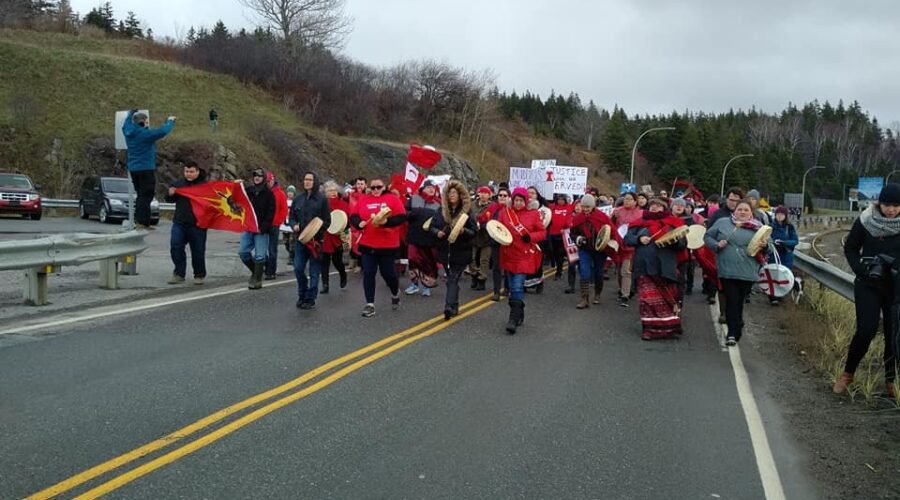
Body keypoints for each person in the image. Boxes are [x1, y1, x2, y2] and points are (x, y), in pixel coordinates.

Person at [834, 185, 900, 397]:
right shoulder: (865, 220)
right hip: (868, 284)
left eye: (897, 206)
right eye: (887, 204)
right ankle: (847, 373)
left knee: (893, 334)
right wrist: (862, 270)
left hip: (896, 287)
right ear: (879, 203)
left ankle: (891, 381)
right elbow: (850, 248)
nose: (891, 210)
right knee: (866, 331)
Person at [704, 199, 766, 346]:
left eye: (746, 210)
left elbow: (768, 246)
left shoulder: (759, 227)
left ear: (751, 213)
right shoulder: (723, 223)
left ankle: (736, 325)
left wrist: (765, 245)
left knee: (739, 301)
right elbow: (707, 236)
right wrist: (716, 245)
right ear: (734, 211)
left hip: (748, 271)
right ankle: (732, 332)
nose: (742, 212)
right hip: (727, 270)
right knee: (731, 300)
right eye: (740, 209)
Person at [625, 198, 688, 340]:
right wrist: (639, 240)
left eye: (659, 206)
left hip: (665, 266)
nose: (655, 208)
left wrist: (675, 239)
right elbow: (627, 239)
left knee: (668, 298)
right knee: (647, 299)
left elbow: (683, 245)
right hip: (643, 266)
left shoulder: (673, 224)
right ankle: (649, 330)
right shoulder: (638, 223)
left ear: (664, 209)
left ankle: (670, 327)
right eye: (652, 205)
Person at [350, 178, 407, 317]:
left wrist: (386, 222)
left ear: (384, 187)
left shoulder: (392, 199)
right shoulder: (364, 199)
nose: (376, 190)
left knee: (389, 275)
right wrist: (358, 223)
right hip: (367, 244)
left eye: (379, 187)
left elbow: (401, 217)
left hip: (387, 245)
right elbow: (354, 216)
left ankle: (395, 292)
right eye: (373, 187)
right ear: (369, 187)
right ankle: (370, 304)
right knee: (368, 273)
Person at [496, 187, 546, 334]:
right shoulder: (505, 213)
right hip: (508, 254)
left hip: (524, 256)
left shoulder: (533, 214)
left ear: (526, 201)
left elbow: (543, 232)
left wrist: (530, 237)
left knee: (518, 286)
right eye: (516, 200)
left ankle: (512, 320)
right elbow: (497, 227)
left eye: (521, 200)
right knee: (512, 288)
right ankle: (519, 311)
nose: (518, 203)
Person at [430, 180, 477, 320]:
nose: (451, 195)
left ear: (460, 195)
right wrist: (436, 232)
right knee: (452, 279)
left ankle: (448, 307)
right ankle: (454, 305)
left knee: (452, 278)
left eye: (454, 193)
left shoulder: (467, 212)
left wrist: (463, 231)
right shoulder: (441, 210)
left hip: (461, 250)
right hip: (445, 250)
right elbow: (431, 226)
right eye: (449, 193)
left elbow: (474, 231)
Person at [122, 109, 176, 229]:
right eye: (146, 122)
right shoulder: (144, 134)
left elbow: (126, 122)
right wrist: (170, 121)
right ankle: (142, 222)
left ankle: (141, 220)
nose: (148, 124)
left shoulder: (128, 130)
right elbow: (162, 131)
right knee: (146, 195)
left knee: (141, 194)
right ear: (142, 123)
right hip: (145, 168)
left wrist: (131, 113)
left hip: (134, 168)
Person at [288, 171, 330, 308]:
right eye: (305, 179)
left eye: (310, 180)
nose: (307, 182)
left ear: (315, 181)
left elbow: (327, 221)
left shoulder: (322, 199)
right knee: (298, 268)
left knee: (314, 271)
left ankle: (310, 298)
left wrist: (316, 228)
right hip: (300, 240)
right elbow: (292, 216)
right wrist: (294, 225)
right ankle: (302, 294)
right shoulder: (298, 199)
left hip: (316, 242)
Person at [570, 194, 617, 308]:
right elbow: (572, 233)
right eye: (583, 206)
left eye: (588, 207)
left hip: (599, 250)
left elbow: (610, 230)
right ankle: (584, 299)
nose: (585, 209)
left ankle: (597, 294)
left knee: (598, 273)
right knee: (584, 273)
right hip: (585, 249)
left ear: (593, 206)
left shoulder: (601, 216)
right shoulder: (578, 218)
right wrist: (578, 238)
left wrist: (610, 242)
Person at [165, 160, 207, 285]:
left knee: (198, 251)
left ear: (197, 172)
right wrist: (170, 194)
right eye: (186, 171)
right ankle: (179, 273)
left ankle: (199, 275)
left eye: (191, 172)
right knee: (175, 246)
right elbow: (169, 200)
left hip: (198, 224)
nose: (189, 174)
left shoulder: (204, 186)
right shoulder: (178, 184)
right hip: (180, 222)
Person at [239, 168, 276, 290]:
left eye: (260, 176)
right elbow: (237, 197)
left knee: (260, 256)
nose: (257, 178)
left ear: (264, 178)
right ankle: (256, 272)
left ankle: (257, 279)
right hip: (248, 227)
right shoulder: (248, 191)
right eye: (255, 175)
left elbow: (270, 213)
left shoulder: (269, 194)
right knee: (243, 252)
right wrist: (236, 185)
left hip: (261, 229)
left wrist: (264, 228)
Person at [404, 180, 441, 297]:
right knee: (413, 259)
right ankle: (414, 284)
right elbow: (404, 212)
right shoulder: (414, 199)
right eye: (428, 187)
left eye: (433, 188)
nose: (431, 189)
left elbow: (441, 221)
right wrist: (413, 214)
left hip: (429, 239)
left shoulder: (438, 204)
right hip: (414, 236)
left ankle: (426, 286)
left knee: (427, 262)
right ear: (423, 189)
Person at [612, 192, 643, 307]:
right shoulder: (617, 211)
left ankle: (625, 295)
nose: (627, 201)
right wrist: (613, 218)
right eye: (625, 199)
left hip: (632, 247)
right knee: (619, 269)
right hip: (619, 245)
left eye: (630, 199)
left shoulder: (640, 213)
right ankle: (622, 290)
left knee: (626, 270)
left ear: (635, 201)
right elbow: (611, 225)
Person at [321, 180, 349, 294]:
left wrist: (345, 236)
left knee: (337, 261)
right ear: (325, 192)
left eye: (334, 190)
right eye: (330, 190)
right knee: (324, 261)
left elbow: (348, 222)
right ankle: (325, 285)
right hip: (325, 235)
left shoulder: (343, 205)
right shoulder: (321, 205)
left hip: (338, 236)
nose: (333, 192)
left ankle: (343, 274)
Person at [767, 205, 798, 305]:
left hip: (786, 256)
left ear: (786, 216)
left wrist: (785, 242)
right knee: (773, 275)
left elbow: (795, 240)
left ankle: (781, 294)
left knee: (783, 276)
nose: (779, 216)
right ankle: (773, 297)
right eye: (778, 214)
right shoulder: (770, 226)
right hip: (773, 255)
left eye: (782, 215)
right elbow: (765, 238)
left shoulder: (789, 227)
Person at [265, 172, 290, 280]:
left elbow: (284, 210)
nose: (268, 183)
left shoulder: (279, 193)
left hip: (274, 225)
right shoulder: (264, 192)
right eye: (266, 182)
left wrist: (277, 222)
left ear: (272, 180)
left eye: (269, 181)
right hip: (264, 224)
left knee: (272, 249)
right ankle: (266, 267)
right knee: (262, 249)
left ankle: (271, 271)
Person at [488, 187, 511, 301]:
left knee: (507, 266)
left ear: (509, 198)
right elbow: (487, 223)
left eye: (504, 195)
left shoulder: (511, 211)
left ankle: (507, 288)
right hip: (495, 242)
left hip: (508, 242)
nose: (502, 197)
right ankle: (496, 291)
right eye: (500, 195)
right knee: (496, 267)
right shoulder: (492, 209)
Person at [471, 186, 495, 291]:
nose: (483, 195)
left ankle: (482, 279)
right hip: (473, 236)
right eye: (481, 193)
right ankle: (474, 275)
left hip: (486, 236)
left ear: (489, 195)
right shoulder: (472, 205)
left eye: (486, 193)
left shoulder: (493, 206)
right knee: (471, 258)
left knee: (484, 260)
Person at [671, 198, 696, 299]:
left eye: (681, 205)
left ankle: (678, 303)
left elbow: (693, 235)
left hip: (683, 253)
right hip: (668, 253)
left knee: (680, 280)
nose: (679, 207)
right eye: (676, 204)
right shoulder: (666, 218)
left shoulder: (689, 220)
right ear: (671, 206)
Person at [347, 176, 368, 273]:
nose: (359, 186)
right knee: (353, 243)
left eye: (361, 184)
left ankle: (360, 264)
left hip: (363, 222)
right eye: (358, 184)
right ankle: (353, 260)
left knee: (360, 244)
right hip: (353, 222)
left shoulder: (368, 196)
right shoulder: (351, 194)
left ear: (365, 185)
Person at [548, 193, 571, 280]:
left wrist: (565, 227)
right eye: (559, 199)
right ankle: (554, 264)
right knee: (552, 251)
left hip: (562, 234)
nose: (560, 201)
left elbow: (569, 218)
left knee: (560, 254)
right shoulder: (552, 207)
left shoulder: (568, 208)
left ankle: (559, 271)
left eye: (562, 199)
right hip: (552, 233)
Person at [281, 185, 297, 264]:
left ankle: (292, 257)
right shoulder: (284, 201)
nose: (290, 194)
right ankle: (290, 253)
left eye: (291, 192)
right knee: (285, 242)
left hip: (292, 226)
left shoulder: (296, 202)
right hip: (284, 225)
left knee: (292, 242)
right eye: (289, 192)